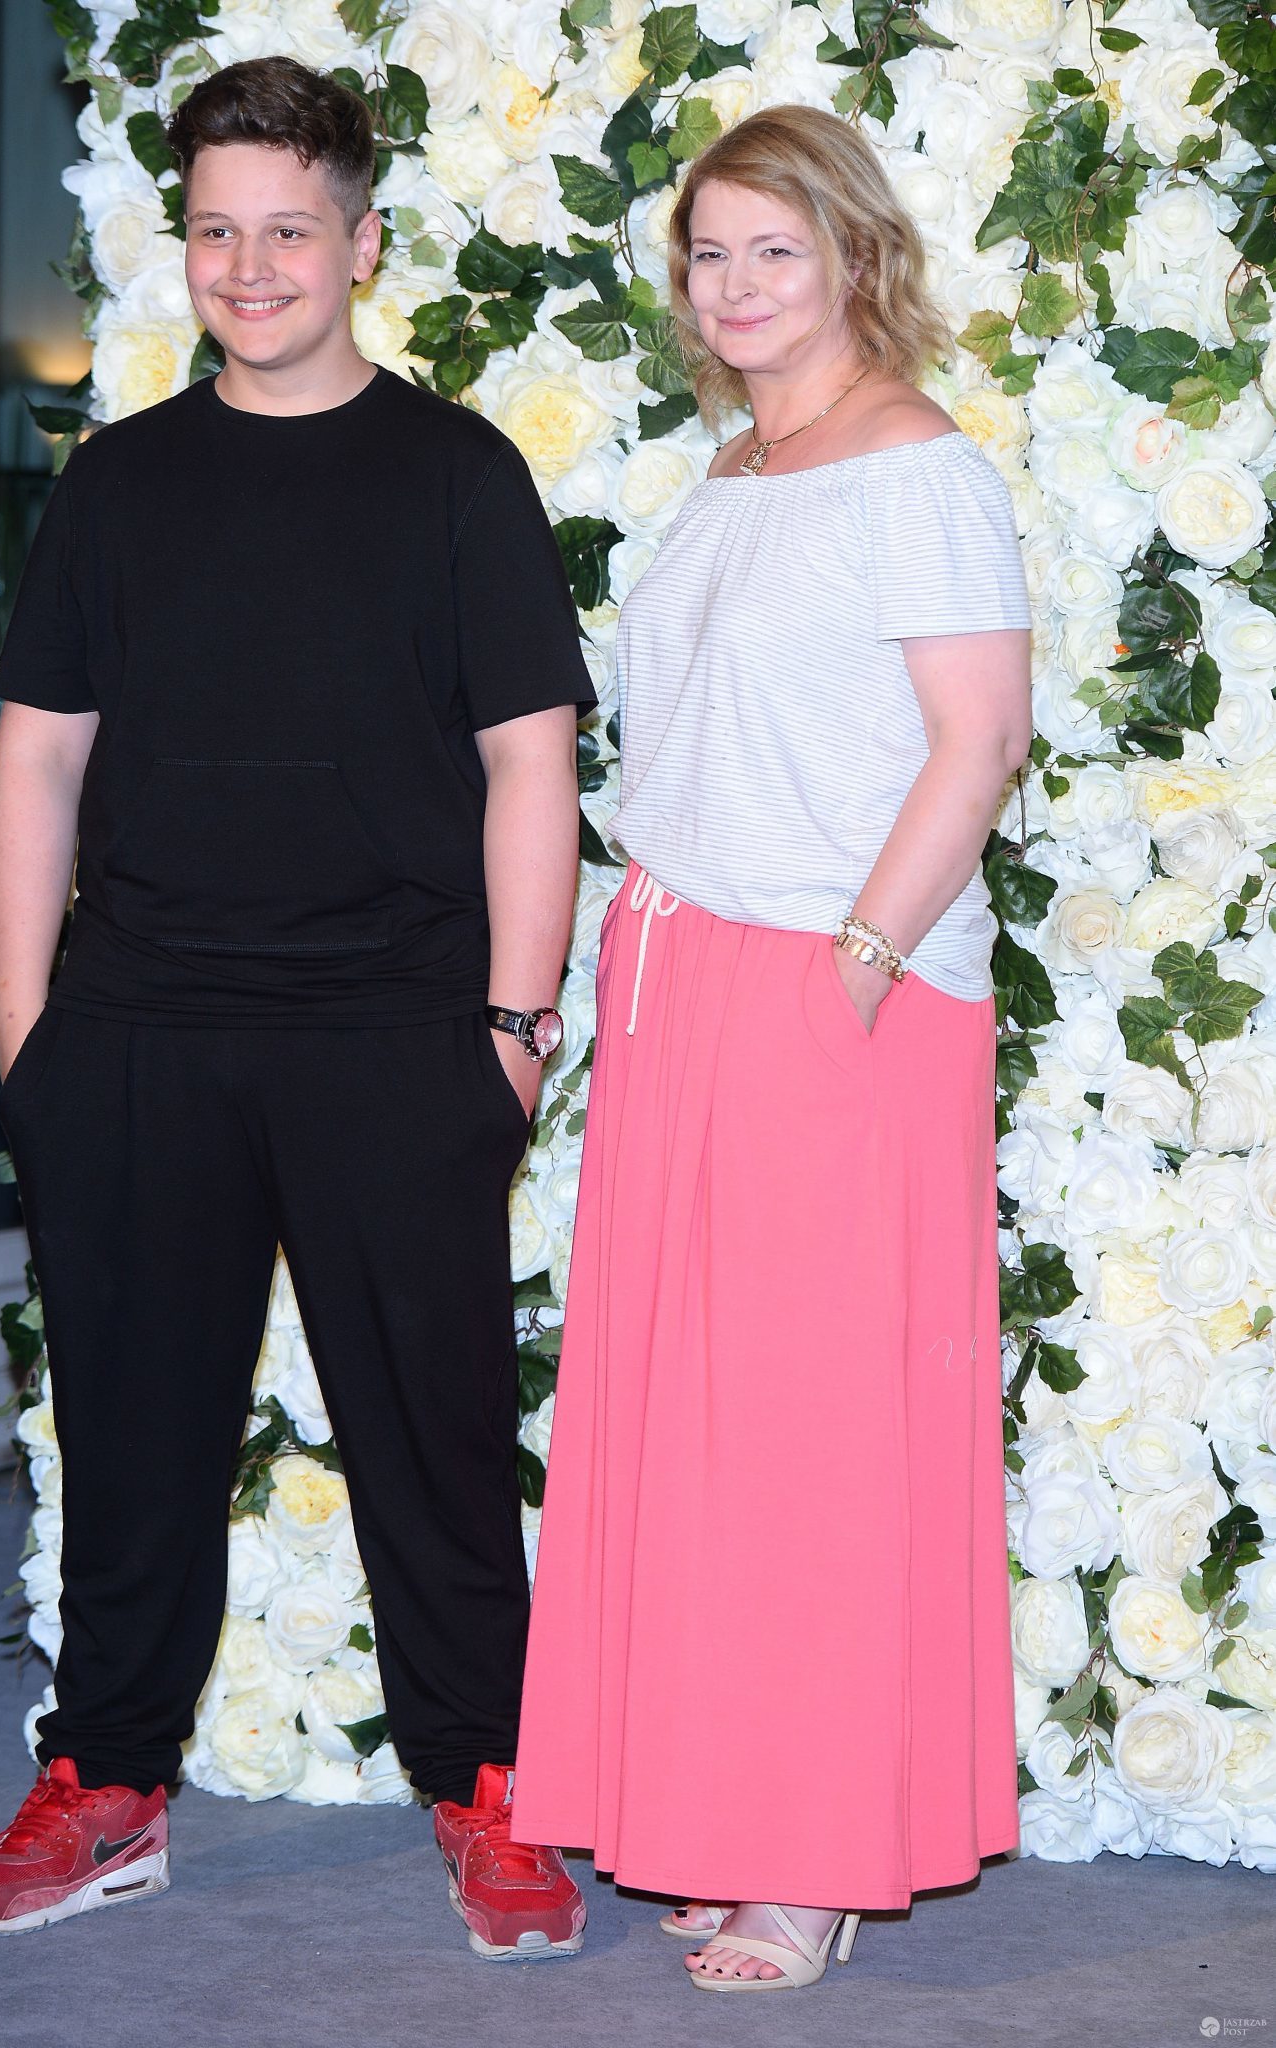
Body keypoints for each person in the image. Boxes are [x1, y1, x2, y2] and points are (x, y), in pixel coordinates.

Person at [0, 56, 590, 1961]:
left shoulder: (459, 472)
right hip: (139, 1031)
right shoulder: (119, 484)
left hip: (399, 1029)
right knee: (133, 1440)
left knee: (437, 1448)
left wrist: (513, 1028)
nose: (250, 266)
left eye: (289, 230)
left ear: (363, 244)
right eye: (217, 230)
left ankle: (489, 1784)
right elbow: (38, 759)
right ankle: (108, 1785)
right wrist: (28, 1035)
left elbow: (530, 763)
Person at [509, 103, 1033, 1992]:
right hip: (681, 975)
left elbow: (980, 738)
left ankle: (814, 1859)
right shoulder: (733, 467)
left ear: (855, 256)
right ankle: (719, 1813)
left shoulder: (917, 468)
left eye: (774, 250)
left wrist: (857, 967)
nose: (735, 287)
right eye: (710, 254)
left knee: (814, 1437)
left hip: (834, 982)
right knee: (694, 1432)